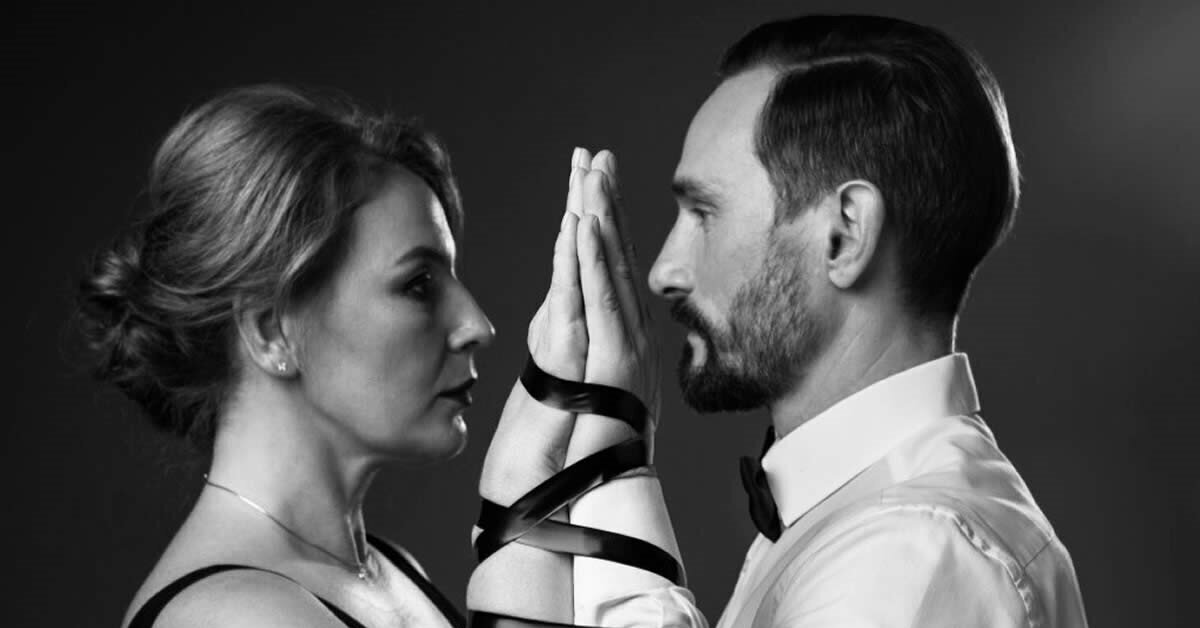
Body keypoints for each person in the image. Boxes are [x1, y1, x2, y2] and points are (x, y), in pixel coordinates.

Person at [469, 14, 1089, 628]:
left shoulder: (912, 557)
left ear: (845, 235)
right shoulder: (861, 526)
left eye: (704, 213)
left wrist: (608, 474)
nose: (664, 271)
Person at [79, 85, 495, 627]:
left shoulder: (392, 571)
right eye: (418, 285)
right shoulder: (235, 617)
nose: (477, 326)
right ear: (271, 331)